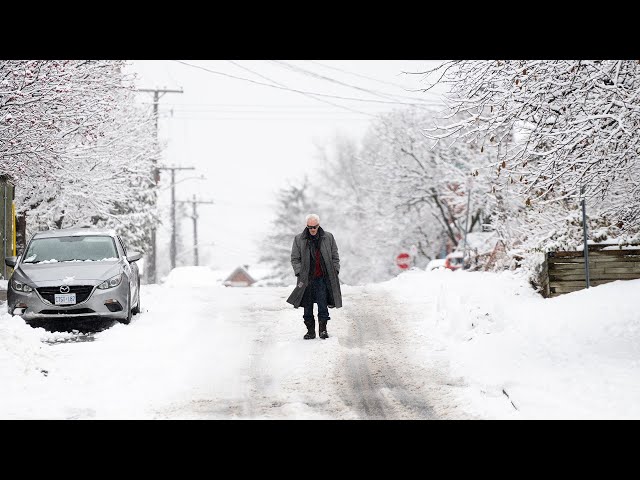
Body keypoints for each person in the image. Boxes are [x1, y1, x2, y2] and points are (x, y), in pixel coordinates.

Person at [286, 213, 342, 340]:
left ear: (318, 225)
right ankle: (310, 332)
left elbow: (335, 256)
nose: (312, 230)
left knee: (323, 305)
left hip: (323, 278)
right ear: (306, 226)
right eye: (309, 227)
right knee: (307, 306)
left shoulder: (328, 237)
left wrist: (335, 270)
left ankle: (323, 330)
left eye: (314, 227)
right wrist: (300, 272)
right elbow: (295, 258)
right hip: (306, 280)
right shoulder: (299, 239)